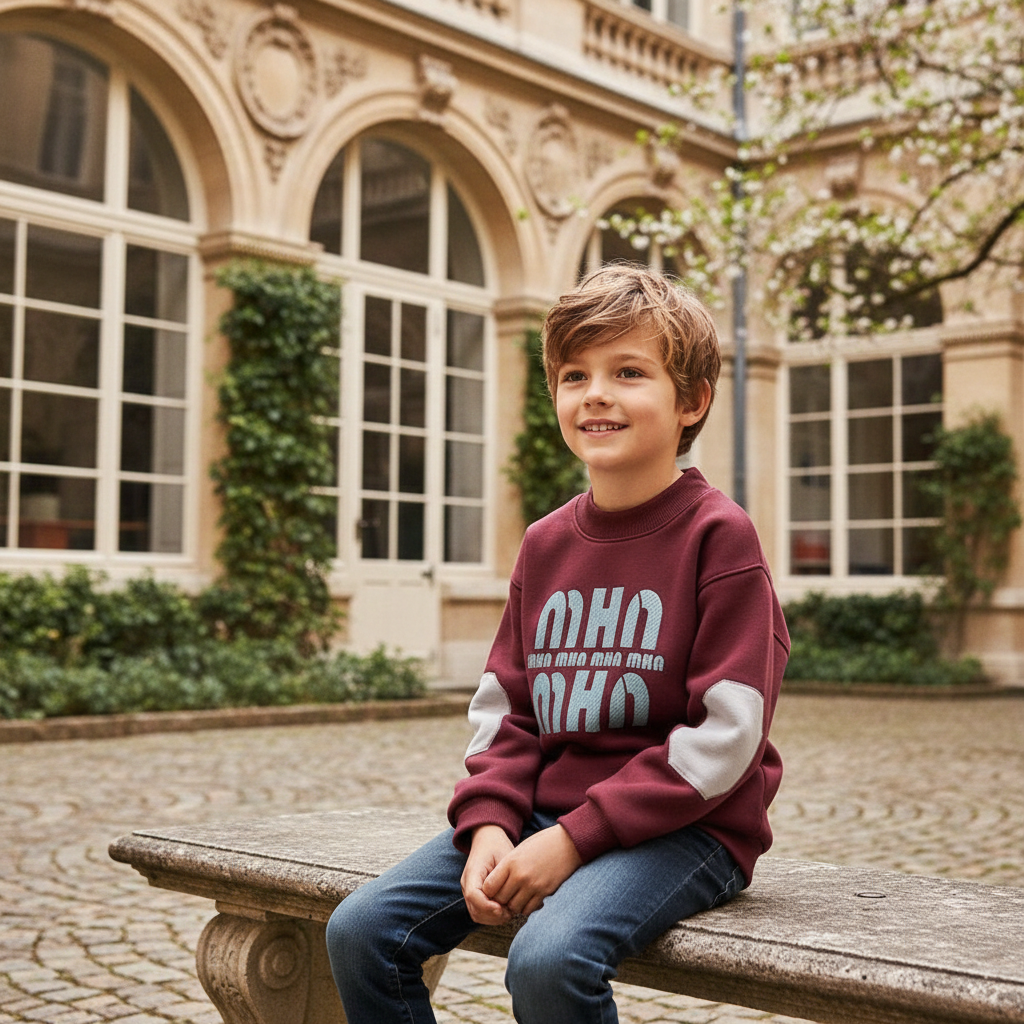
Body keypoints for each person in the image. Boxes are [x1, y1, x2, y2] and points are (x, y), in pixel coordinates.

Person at [326, 264, 789, 1024]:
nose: (595, 393)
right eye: (574, 375)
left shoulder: (718, 536)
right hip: (544, 816)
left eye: (628, 372)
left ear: (691, 402)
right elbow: (506, 709)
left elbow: (727, 734)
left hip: (689, 827)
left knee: (548, 959)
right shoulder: (545, 543)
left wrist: (574, 840)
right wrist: (487, 825)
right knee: (362, 931)